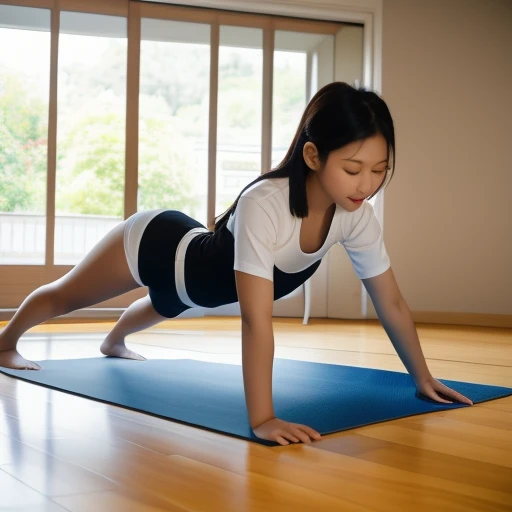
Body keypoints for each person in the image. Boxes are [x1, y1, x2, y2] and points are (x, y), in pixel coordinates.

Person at [0, 82, 473, 445]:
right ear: (312, 155)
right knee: (67, 295)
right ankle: (5, 343)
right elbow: (254, 319)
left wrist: (423, 378)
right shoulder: (264, 204)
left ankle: (113, 341)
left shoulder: (354, 218)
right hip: (156, 246)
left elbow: (389, 300)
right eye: (352, 169)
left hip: (190, 288)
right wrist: (262, 418)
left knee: (168, 301)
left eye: (378, 170)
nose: (365, 184)